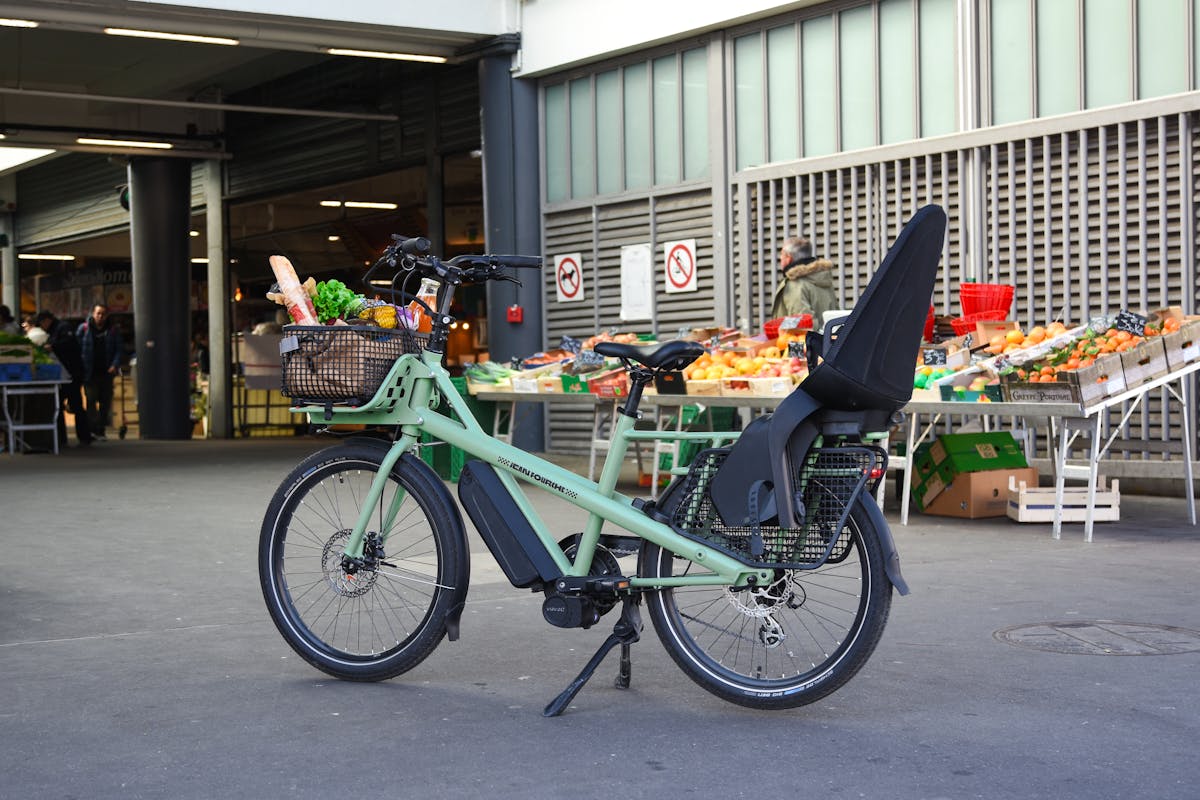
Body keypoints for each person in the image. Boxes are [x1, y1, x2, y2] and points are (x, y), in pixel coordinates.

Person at [35, 310, 92, 447]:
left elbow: (69, 344)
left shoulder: (63, 328)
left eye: (42, 324)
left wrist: (53, 346)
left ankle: (83, 437)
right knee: (59, 406)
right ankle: (62, 439)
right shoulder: (53, 330)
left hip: (72, 374)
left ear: (46, 320)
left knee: (76, 406)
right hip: (63, 374)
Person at [77, 304, 124, 440]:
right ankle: (92, 429)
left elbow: (119, 349)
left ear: (107, 315)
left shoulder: (113, 330)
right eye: (98, 313)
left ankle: (101, 429)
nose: (100, 316)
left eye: (103, 314)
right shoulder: (84, 328)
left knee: (105, 402)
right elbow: (77, 347)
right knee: (91, 400)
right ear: (93, 313)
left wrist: (114, 365)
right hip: (89, 372)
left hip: (106, 372)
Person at [769, 236, 838, 324]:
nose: (780, 258)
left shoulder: (794, 284)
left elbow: (802, 325)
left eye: (782, 254)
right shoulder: (823, 278)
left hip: (801, 334)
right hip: (827, 332)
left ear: (788, 258)